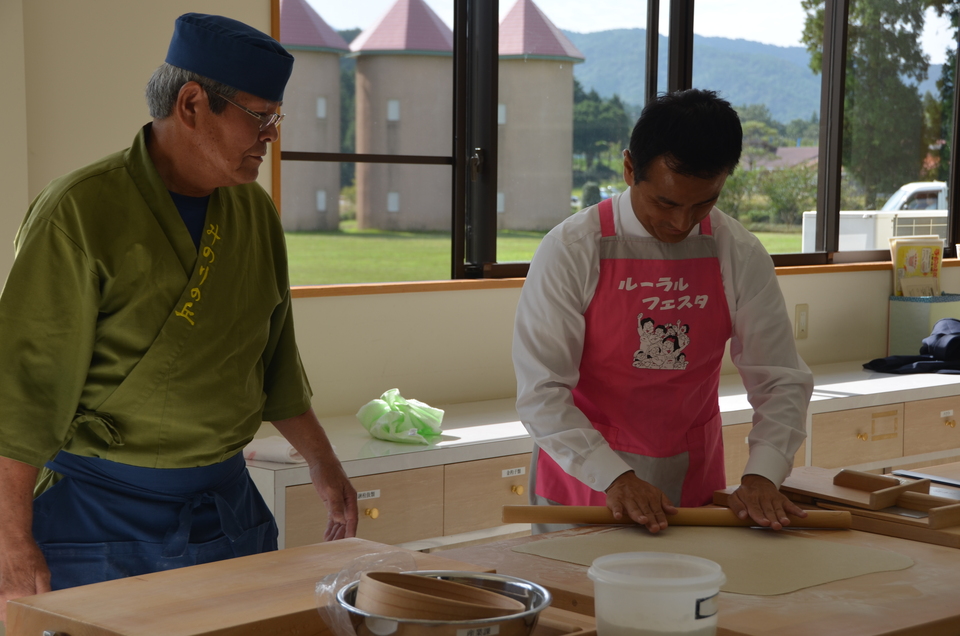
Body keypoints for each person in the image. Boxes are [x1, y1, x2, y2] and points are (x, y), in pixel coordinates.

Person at [0, 13, 358, 615]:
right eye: (260, 115)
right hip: (98, 515)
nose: (271, 135)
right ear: (193, 103)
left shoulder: (254, 214)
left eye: (277, 117)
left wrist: (326, 468)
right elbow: (22, 392)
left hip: (225, 508)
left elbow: (275, 364)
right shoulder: (80, 212)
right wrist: (11, 534)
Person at [513, 89, 813, 535]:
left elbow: (780, 378)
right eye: (667, 203)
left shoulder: (738, 251)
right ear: (630, 168)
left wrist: (762, 475)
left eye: (703, 203)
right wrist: (615, 477)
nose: (681, 223)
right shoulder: (573, 248)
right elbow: (542, 390)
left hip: (691, 484)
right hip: (586, 485)